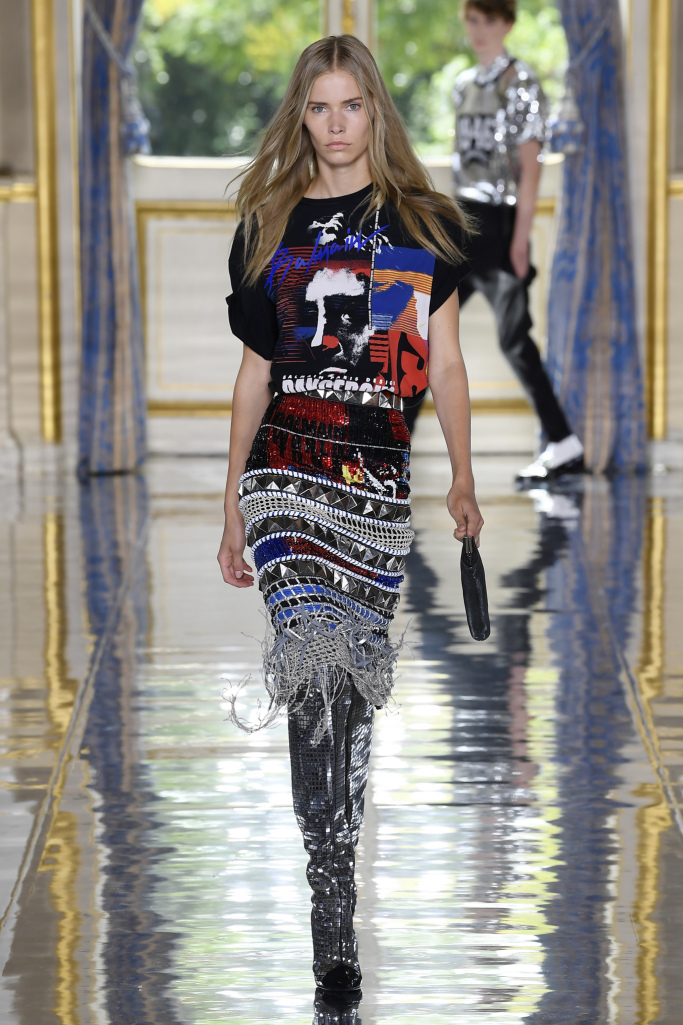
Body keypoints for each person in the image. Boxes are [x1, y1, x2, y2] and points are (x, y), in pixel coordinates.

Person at [218, 34, 484, 999]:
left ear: (375, 111)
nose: (335, 125)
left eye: (351, 106)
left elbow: (441, 364)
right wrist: (231, 503)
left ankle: (340, 875)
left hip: (373, 485)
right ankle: (328, 908)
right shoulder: (269, 225)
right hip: (285, 477)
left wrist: (462, 477)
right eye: (318, 107)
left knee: (353, 691)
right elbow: (255, 374)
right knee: (311, 675)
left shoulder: (417, 225)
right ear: (301, 116)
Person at [404, 0, 584, 482]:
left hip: (500, 226)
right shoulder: (464, 84)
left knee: (513, 339)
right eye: (472, 20)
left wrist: (520, 239)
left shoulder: (521, 81)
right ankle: (395, 445)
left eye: (489, 20)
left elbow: (530, 167)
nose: (479, 30)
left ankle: (563, 441)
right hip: (462, 223)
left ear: (507, 23)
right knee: (421, 334)